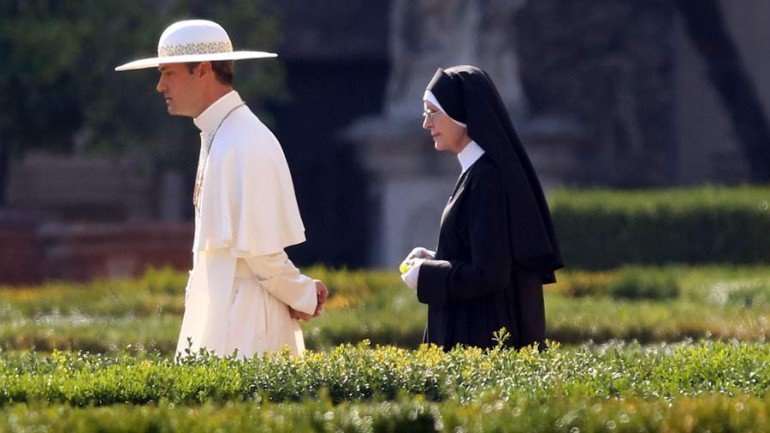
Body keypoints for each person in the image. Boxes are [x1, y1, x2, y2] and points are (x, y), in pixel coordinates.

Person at [115, 19, 328, 358]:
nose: (159, 86)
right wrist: (302, 293)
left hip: (246, 320)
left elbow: (261, 254)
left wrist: (302, 293)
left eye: (168, 73)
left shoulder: (243, 142)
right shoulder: (220, 134)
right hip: (226, 308)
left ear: (202, 70)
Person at [400, 65, 563, 351]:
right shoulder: (478, 172)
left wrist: (426, 274)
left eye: (433, 111)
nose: (426, 123)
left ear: (461, 112)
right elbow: (485, 253)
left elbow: (490, 273)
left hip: (481, 340)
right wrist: (436, 258)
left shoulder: (488, 178)